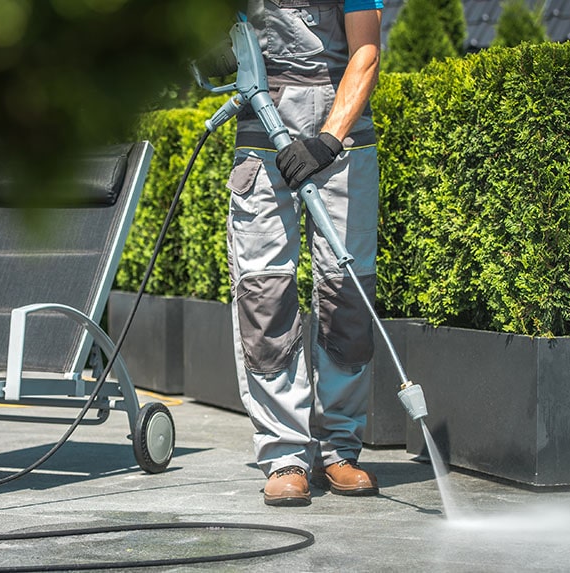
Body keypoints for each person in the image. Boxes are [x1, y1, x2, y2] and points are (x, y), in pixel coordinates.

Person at [226, 0, 383, 506]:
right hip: (263, 128)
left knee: (347, 292)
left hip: (343, 135)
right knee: (263, 291)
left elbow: (365, 51)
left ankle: (340, 448)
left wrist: (328, 140)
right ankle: (285, 455)